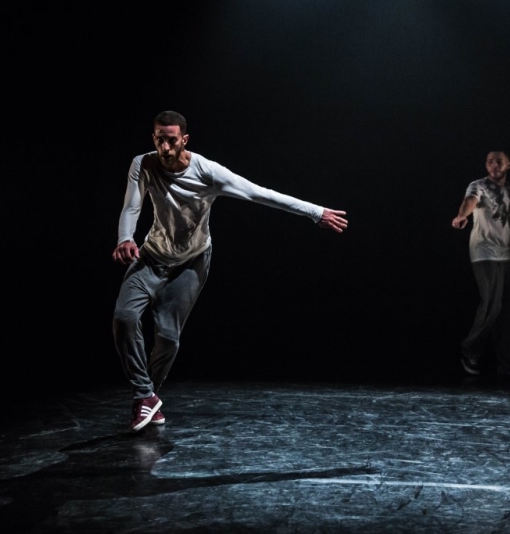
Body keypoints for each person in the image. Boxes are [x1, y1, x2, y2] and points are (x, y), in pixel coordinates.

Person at [112, 110, 349, 431]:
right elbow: (132, 206)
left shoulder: (208, 172)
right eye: (159, 140)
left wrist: (315, 212)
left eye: (171, 140)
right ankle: (145, 395)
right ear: (153, 138)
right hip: (152, 257)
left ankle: (148, 397)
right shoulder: (142, 163)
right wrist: (125, 238)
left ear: (184, 140)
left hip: (192, 263)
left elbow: (259, 193)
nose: (165, 147)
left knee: (167, 337)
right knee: (125, 317)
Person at [451, 150, 510, 378]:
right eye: (489, 162)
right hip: (484, 253)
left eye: (498, 162)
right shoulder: (478, 185)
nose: (493, 165)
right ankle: (469, 351)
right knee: (491, 305)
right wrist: (462, 216)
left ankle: (507, 362)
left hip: (504, 255)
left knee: (504, 310)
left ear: (508, 165)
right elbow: (470, 201)